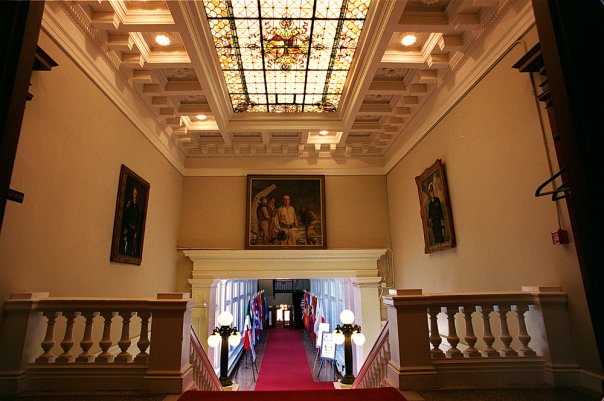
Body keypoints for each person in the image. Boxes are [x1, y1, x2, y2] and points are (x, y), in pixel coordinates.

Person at [121, 186, 140, 256]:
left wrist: (136, 230)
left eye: (135, 194)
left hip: (134, 229)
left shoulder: (137, 206)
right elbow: (126, 215)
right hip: (128, 227)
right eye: (133, 193)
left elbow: (138, 219)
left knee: (132, 245)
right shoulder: (129, 203)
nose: (134, 195)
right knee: (126, 243)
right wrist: (126, 228)